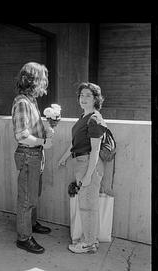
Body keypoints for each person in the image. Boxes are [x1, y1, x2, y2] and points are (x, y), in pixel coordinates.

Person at [58, 82, 107, 254]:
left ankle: (88, 244)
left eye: (88, 95)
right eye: (81, 95)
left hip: (89, 165)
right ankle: (91, 240)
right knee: (88, 205)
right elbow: (75, 142)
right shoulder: (84, 117)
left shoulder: (94, 119)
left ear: (96, 99)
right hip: (82, 163)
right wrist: (64, 158)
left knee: (87, 207)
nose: (83, 98)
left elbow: (95, 150)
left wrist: (87, 175)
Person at [11, 62, 54, 254]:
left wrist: (49, 125)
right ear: (33, 81)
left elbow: (33, 129)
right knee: (27, 198)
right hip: (29, 155)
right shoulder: (22, 102)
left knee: (34, 194)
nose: (45, 83)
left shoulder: (32, 101)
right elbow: (21, 135)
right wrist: (43, 142)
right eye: (43, 79)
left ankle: (31, 224)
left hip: (35, 154)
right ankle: (24, 237)